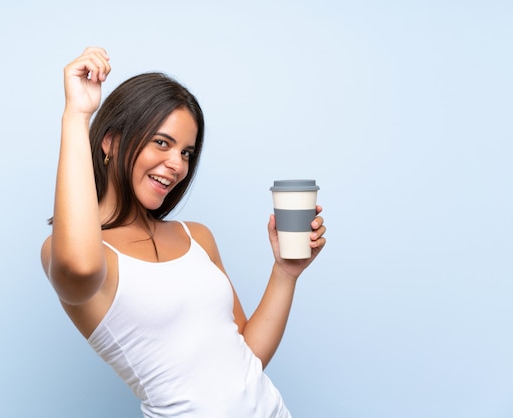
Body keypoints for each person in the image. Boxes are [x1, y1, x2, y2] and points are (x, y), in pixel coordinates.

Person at [40, 47, 327, 418]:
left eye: (187, 152)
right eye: (162, 142)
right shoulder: (78, 255)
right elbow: (79, 268)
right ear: (109, 141)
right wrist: (77, 116)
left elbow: (245, 358)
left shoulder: (197, 238)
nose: (177, 165)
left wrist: (286, 272)